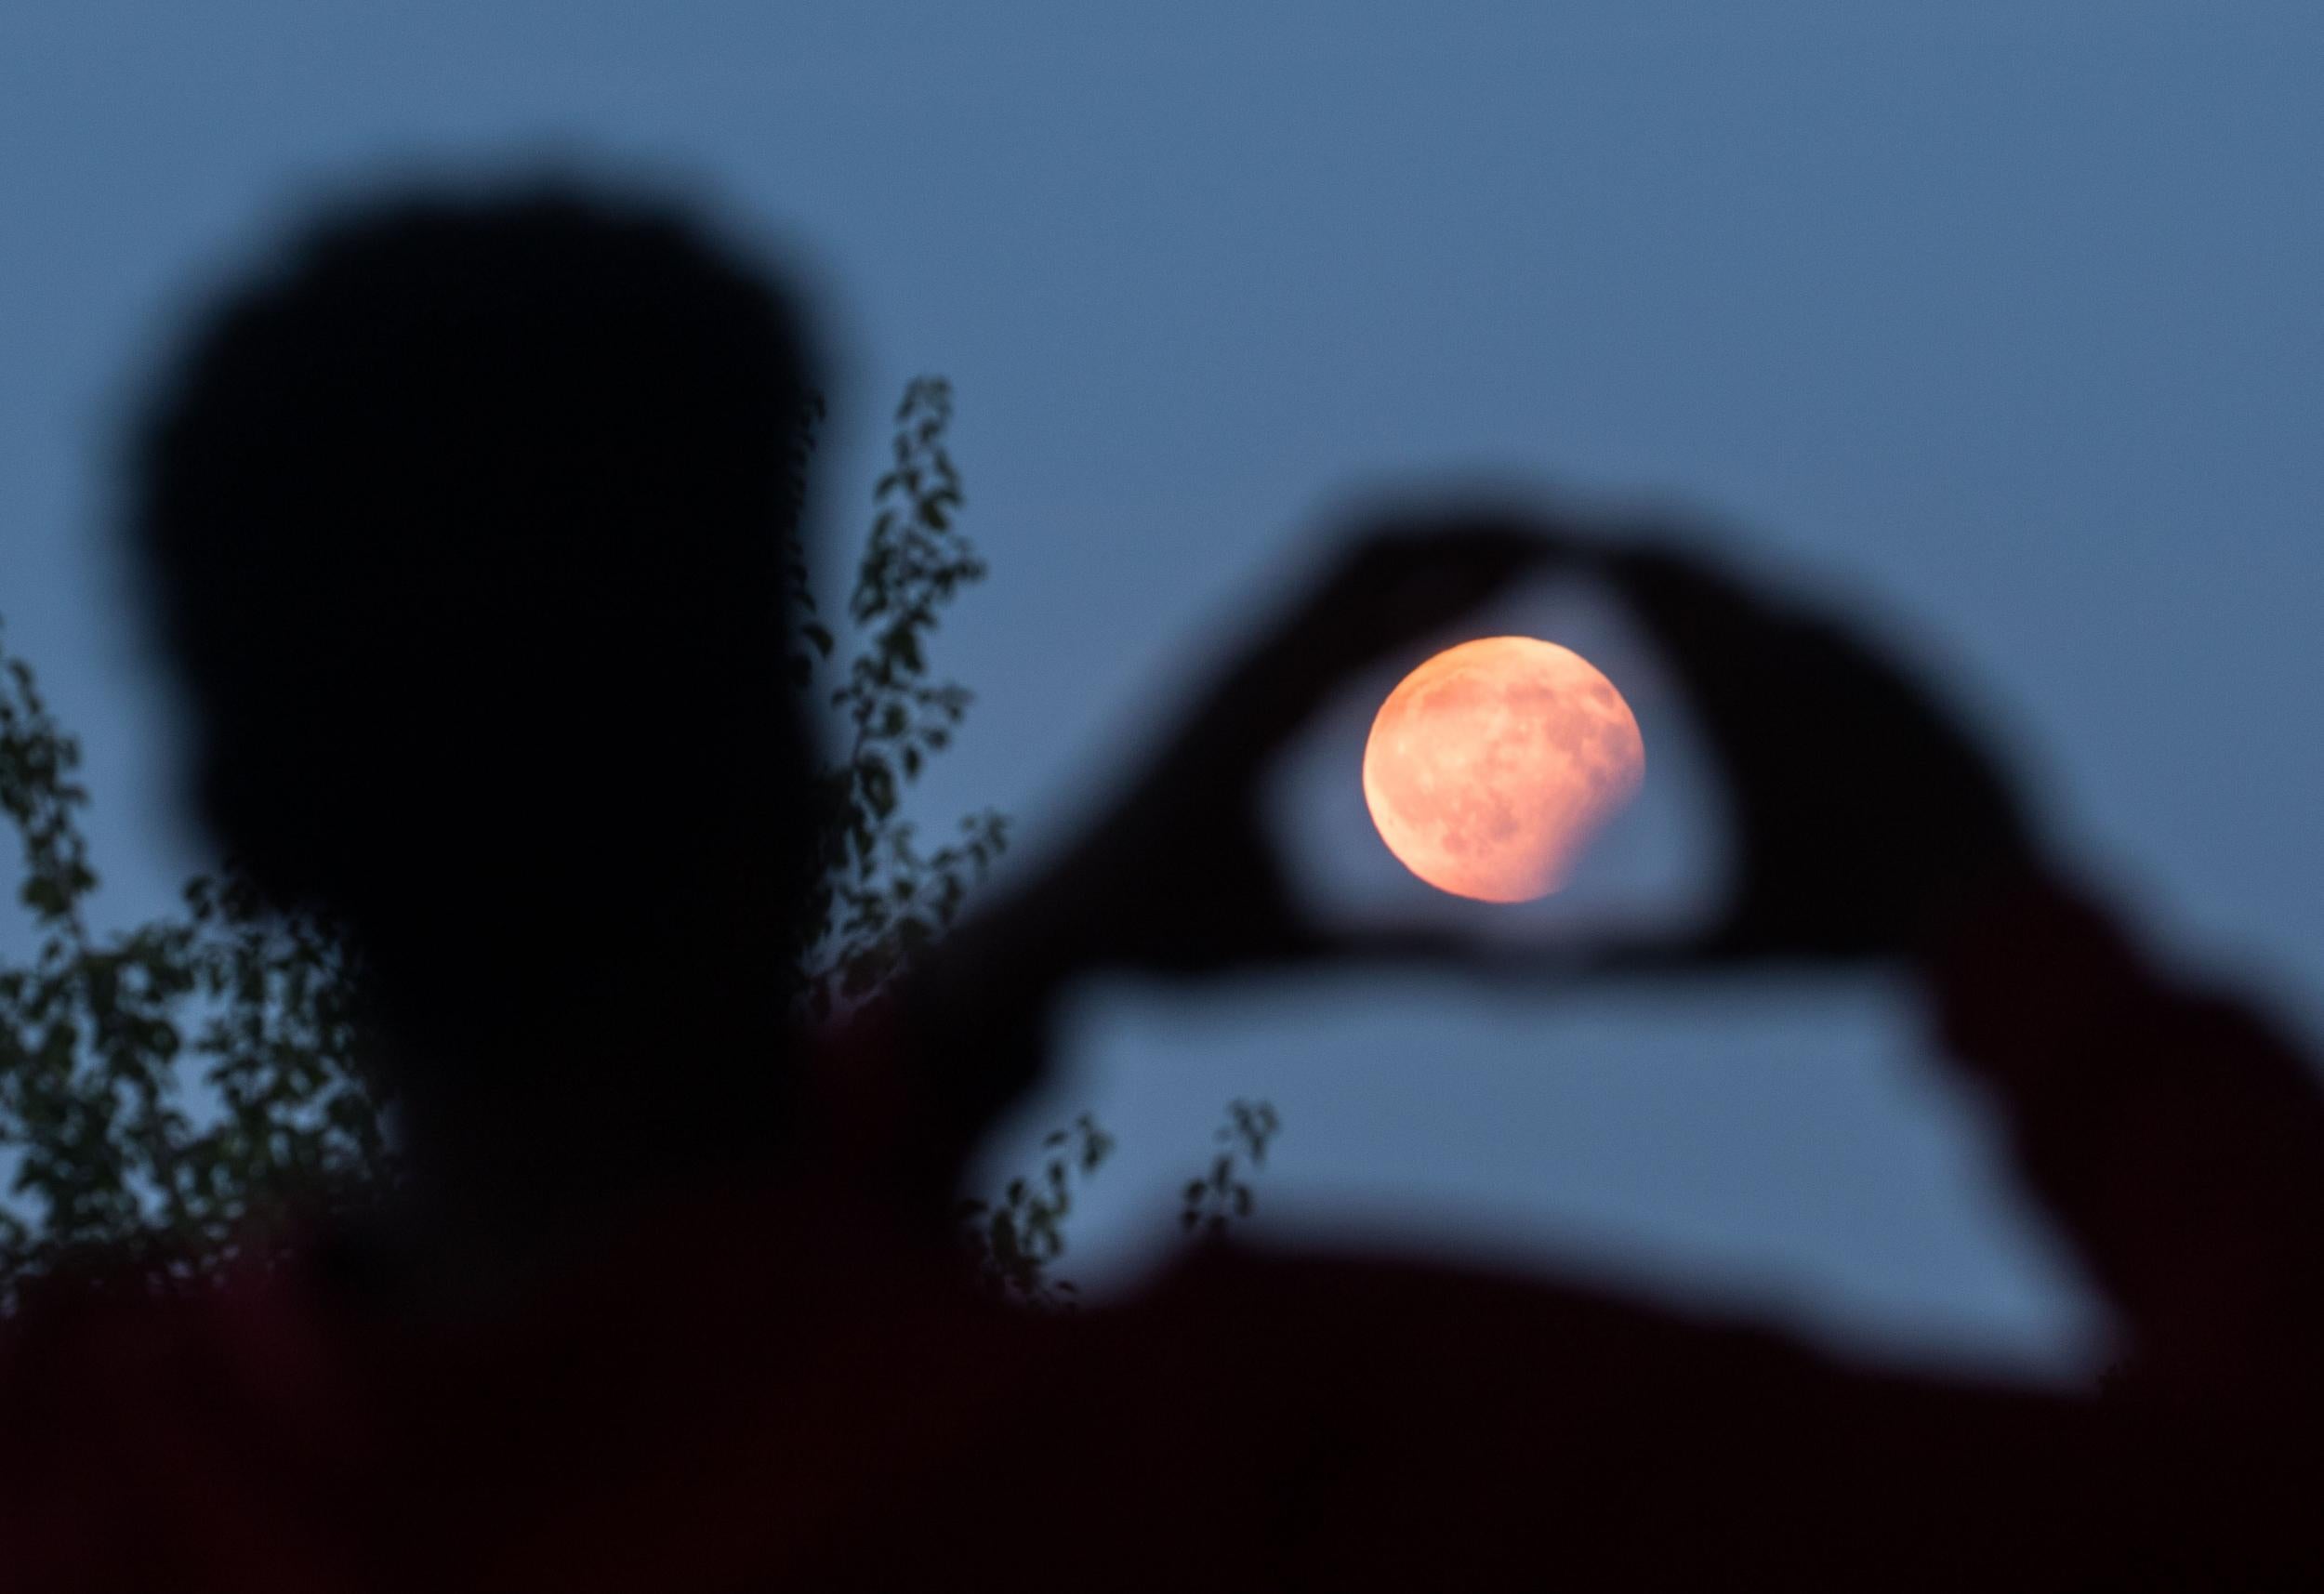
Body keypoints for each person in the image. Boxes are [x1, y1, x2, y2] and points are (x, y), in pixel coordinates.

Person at [3, 178, 2318, 1589]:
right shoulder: (1292, 1478)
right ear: (795, 779)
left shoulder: (82, 1477)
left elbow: (601, 1408)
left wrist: (985, 1003)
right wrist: (2002, 935)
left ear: (243, 824)